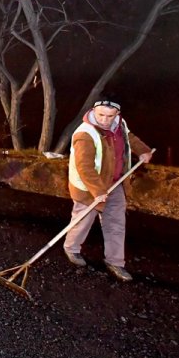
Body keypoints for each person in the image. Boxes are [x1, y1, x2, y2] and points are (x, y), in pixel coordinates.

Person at [63, 97, 153, 282]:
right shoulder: (85, 134)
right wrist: (97, 190)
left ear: (117, 115)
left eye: (109, 116)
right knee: (82, 221)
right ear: (94, 112)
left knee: (116, 223)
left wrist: (143, 150)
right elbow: (84, 167)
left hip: (115, 183)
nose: (105, 119)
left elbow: (130, 138)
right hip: (88, 188)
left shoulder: (119, 124)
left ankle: (115, 262)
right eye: (101, 115)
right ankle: (71, 248)